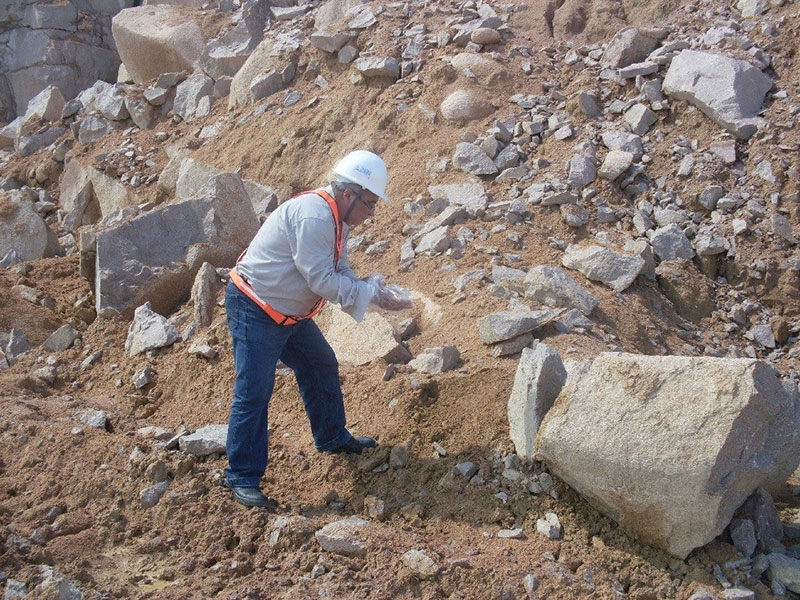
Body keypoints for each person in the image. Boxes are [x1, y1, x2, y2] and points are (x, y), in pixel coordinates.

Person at [223, 150, 412, 508]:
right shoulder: (314, 216)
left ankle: (331, 437)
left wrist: (371, 290)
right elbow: (322, 279)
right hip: (256, 307)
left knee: (320, 363)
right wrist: (371, 295)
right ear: (348, 193)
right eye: (369, 203)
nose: (371, 214)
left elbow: (338, 270)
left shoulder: (337, 219)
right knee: (254, 390)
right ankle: (241, 475)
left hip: (288, 314)